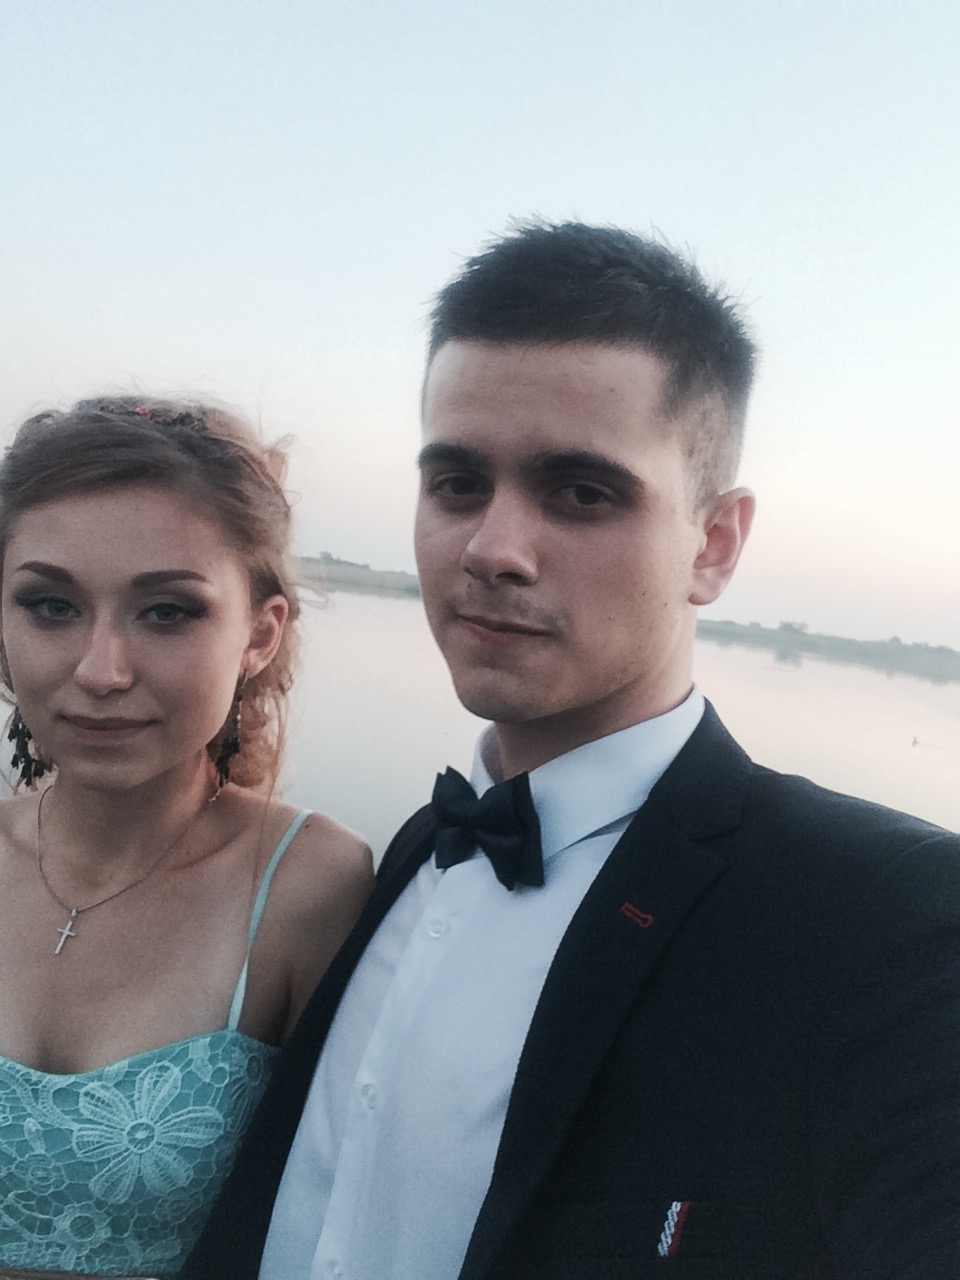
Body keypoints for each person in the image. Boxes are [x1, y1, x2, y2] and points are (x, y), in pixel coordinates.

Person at [180, 223, 960, 1280]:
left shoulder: (888, 916)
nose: (493, 548)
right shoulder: (411, 849)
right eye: (457, 482)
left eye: (582, 493)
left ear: (714, 543)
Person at [0, 397, 373, 1279]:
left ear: (260, 634)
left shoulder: (308, 886)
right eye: (51, 606)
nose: (101, 670)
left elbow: (345, 1208)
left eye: (167, 613)